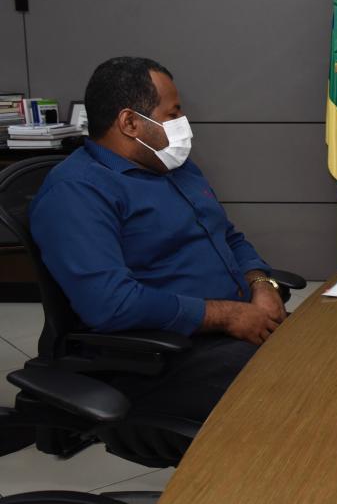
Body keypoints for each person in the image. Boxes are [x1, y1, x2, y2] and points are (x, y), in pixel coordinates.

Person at [30, 56, 284, 423]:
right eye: (173, 114)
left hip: (237, 327)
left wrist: (261, 283)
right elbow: (111, 303)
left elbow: (228, 236)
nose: (184, 124)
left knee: (336, 356)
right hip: (162, 356)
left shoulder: (176, 169)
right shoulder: (77, 192)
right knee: (303, 397)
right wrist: (229, 316)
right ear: (130, 122)